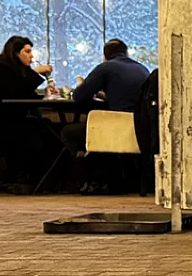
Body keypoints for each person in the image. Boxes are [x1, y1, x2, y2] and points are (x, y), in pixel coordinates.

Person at [58, 39, 150, 193]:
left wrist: (87, 88)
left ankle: (88, 181)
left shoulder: (106, 67)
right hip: (141, 128)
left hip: (116, 127)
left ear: (105, 55)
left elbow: (79, 96)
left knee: (69, 132)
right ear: (126, 53)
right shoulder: (142, 69)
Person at [0, 35, 55, 185]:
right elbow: (13, 92)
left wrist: (46, 94)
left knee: (50, 128)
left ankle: (43, 181)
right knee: (35, 135)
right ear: (15, 53)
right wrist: (36, 72)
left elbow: (26, 95)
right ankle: (21, 178)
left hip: (14, 118)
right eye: (27, 51)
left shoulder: (18, 71)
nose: (31, 56)